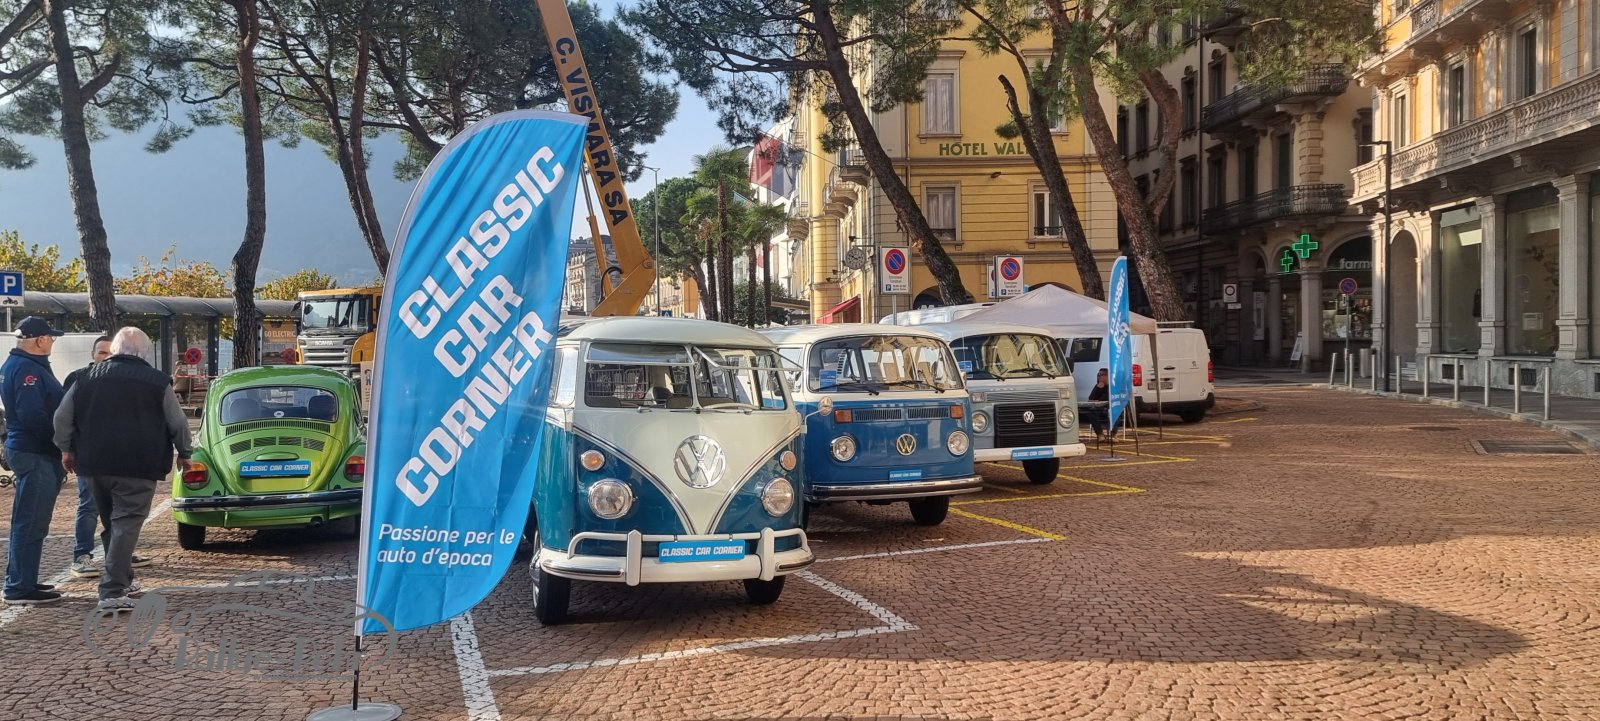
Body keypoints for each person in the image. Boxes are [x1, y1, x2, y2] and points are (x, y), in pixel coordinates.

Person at [54, 327, 193, 610]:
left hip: (94, 464)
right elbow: (177, 422)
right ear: (144, 353)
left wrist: (66, 449)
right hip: (138, 464)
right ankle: (112, 591)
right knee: (126, 525)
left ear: (114, 350)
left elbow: (61, 417)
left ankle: (123, 579)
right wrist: (185, 453)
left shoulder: (84, 378)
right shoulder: (157, 381)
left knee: (113, 524)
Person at [63, 336, 154, 579]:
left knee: (118, 509)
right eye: (101, 352)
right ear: (93, 355)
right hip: (88, 456)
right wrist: (68, 449)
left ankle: (118, 554)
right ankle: (82, 555)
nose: (106, 357)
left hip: (118, 456)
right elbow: (65, 417)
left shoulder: (123, 380)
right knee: (89, 504)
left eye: (109, 352)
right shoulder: (80, 378)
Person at [2, 316, 68, 605]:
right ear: (40, 340)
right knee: (31, 522)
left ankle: (23, 579)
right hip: (35, 451)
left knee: (28, 521)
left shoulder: (16, 364)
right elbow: (32, 415)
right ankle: (19, 586)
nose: (52, 341)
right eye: (50, 337)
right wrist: (60, 443)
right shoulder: (27, 368)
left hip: (28, 449)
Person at [1086, 368, 1115, 441]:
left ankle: (1114, 434)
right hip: (1100, 408)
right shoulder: (1098, 386)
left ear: (1107, 376)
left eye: (1101, 375)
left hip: (1110, 407)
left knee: (1114, 412)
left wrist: (1097, 400)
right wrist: (1098, 388)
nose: (1099, 377)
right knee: (1091, 412)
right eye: (1098, 375)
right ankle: (1100, 434)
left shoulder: (1112, 386)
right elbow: (1090, 398)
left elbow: (1106, 398)